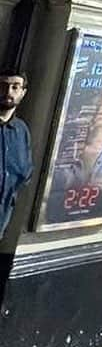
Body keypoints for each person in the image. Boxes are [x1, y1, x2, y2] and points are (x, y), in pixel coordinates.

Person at [1, 73, 32, 242]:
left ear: (23, 93)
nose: (8, 91)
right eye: (3, 85)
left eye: (15, 87)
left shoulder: (21, 130)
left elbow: (26, 172)